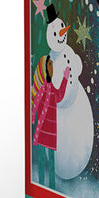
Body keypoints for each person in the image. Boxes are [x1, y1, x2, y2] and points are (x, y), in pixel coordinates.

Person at [31, 55, 71, 190]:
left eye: (52, 65)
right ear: (44, 69)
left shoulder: (52, 88)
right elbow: (35, 103)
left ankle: (52, 186)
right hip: (42, 129)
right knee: (42, 159)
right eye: (49, 65)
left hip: (51, 130)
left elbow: (59, 96)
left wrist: (65, 78)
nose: (52, 68)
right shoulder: (41, 89)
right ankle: (41, 185)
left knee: (52, 160)